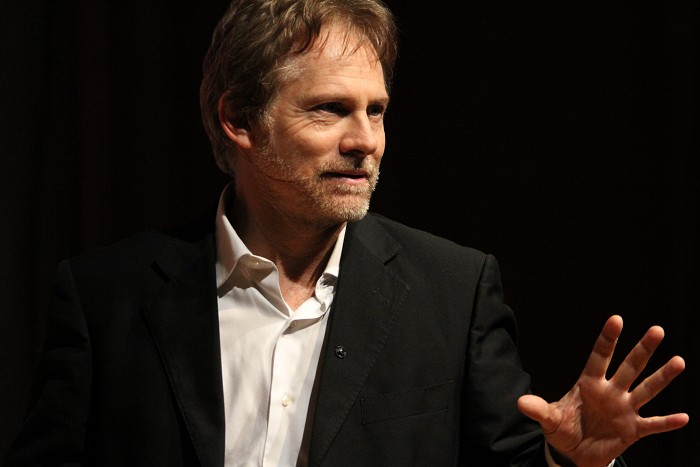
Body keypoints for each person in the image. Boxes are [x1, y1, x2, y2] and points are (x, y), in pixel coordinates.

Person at [6, 0, 688, 465]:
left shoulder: (453, 292)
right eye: (331, 109)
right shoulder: (108, 296)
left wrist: (565, 460)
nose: (366, 141)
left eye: (377, 110)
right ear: (240, 121)